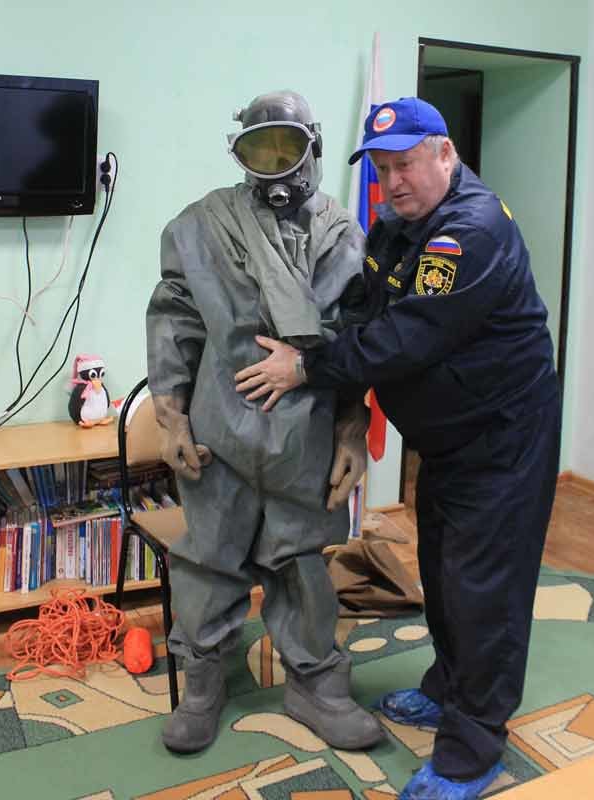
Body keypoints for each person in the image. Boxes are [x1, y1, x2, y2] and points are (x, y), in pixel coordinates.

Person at [234, 96, 561, 800]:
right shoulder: (399, 224)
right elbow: (365, 310)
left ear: (445, 153)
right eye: (381, 169)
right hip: (447, 437)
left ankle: (472, 751)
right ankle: (447, 688)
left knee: (484, 591)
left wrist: (304, 366)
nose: (393, 182)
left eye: (405, 164)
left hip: (502, 440)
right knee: (443, 571)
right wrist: (332, 370)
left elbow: (405, 338)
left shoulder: (467, 232)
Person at [146, 90, 383, 755]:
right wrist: (171, 418)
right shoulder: (199, 226)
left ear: (313, 145)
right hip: (219, 429)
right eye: (259, 149)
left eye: (287, 147)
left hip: (303, 434)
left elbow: (355, 340)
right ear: (239, 153)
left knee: (301, 563)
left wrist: (350, 431)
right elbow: (174, 320)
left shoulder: (342, 234)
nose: (275, 164)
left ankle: (315, 685)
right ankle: (202, 684)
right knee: (209, 558)